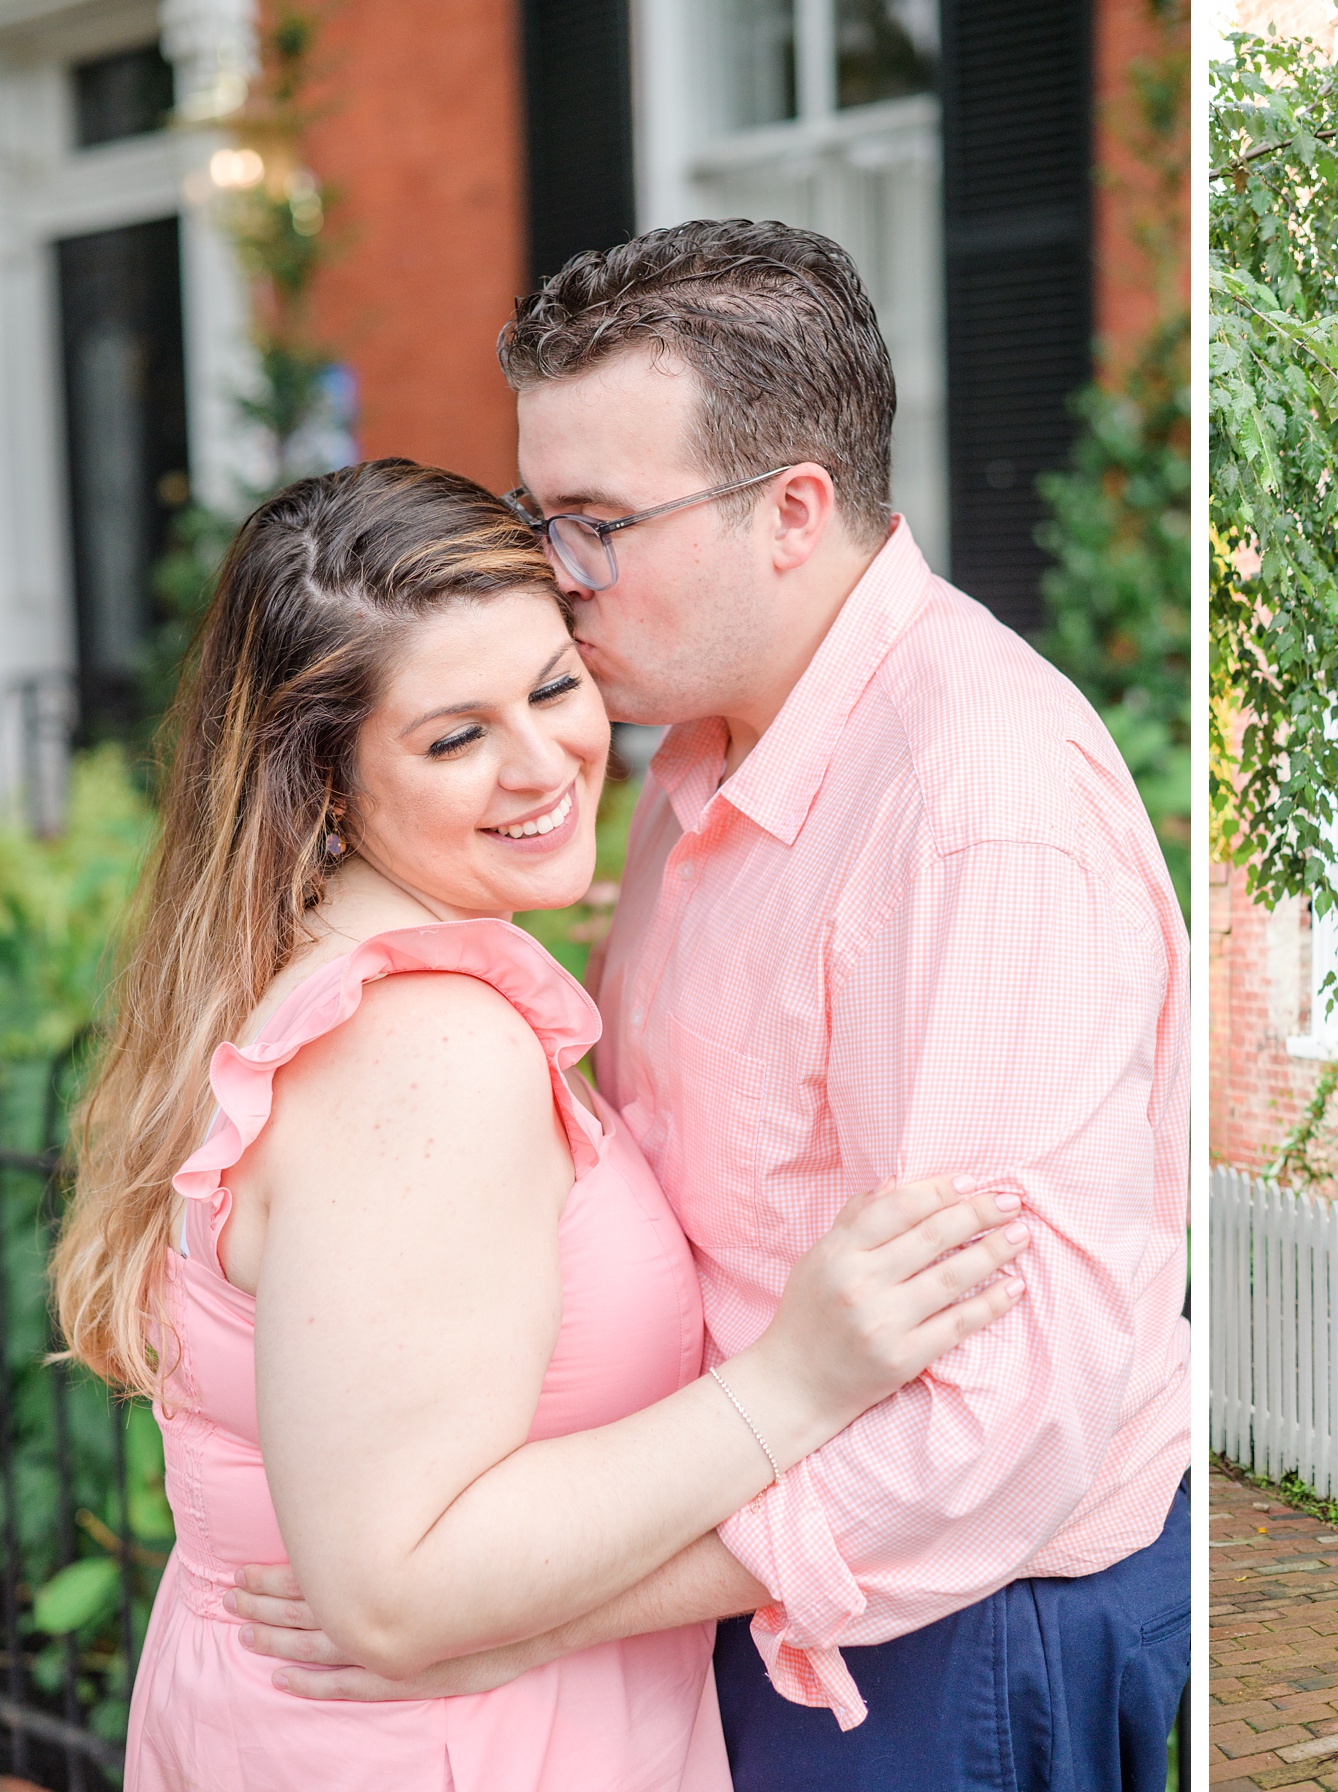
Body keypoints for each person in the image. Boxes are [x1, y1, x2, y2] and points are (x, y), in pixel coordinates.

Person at [229, 221, 1192, 1792]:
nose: (552, 569)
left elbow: (994, 1432)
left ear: (792, 511)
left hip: (937, 1644)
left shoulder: (979, 810)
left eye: (598, 521)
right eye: (543, 511)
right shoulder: (691, 745)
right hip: (741, 1576)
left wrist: (518, 1615)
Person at [55, 463, 1029, 1790]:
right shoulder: (430, 1055)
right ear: (326, 786)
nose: (542, 764)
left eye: (552, 688)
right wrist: (794, 1381)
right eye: (454, 738)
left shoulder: (350, 982)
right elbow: (395, 1591)